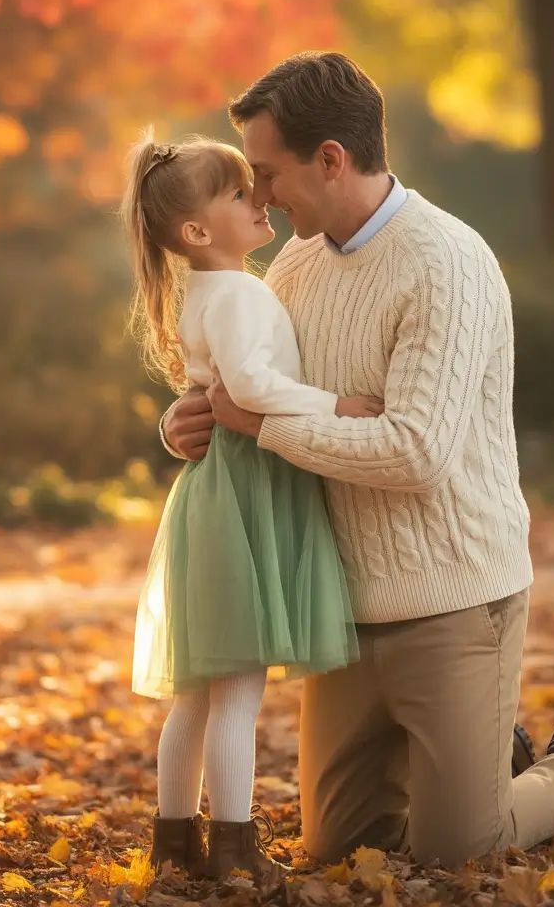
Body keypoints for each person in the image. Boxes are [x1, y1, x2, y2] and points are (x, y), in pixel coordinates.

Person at [161, 52, 554, 869]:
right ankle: (477, 759)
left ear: (330, 159)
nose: (259, 196)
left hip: (453, 597)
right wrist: (185, 421)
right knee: (339, 849)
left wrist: (262, 428)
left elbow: (415, 452)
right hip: (341, 605)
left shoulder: (446, 263)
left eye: (268, 173)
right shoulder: (296, 265)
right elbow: (243, 379)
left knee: (460, 850)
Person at [122, 135, 375, 879]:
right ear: (197, 231)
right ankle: (232, 849)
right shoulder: (233, 292)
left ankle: (175, 844)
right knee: (236, 690)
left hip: (221, 491)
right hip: (247, 487)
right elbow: (251, 389)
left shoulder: (212, 288)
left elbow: (220, 385)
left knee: (198, 698)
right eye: (238, 194)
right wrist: (337, 406)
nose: (257, 198)